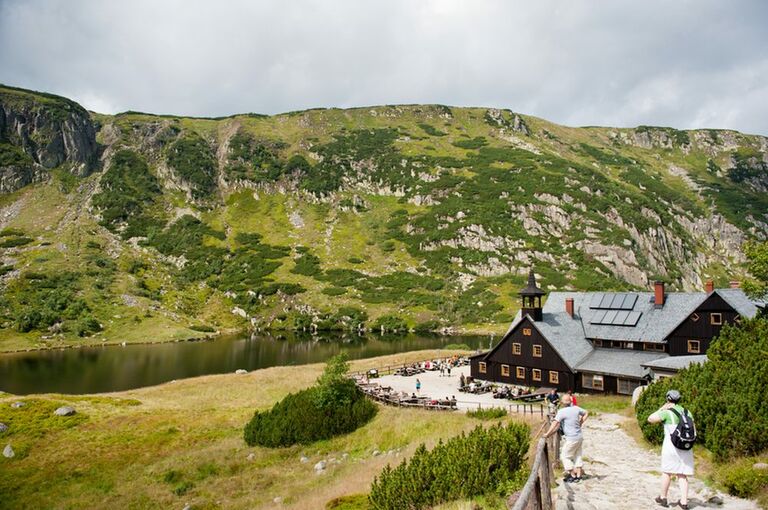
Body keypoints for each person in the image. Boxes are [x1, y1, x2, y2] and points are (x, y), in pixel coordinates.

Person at [647, 390, 694, 509]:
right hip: (685, 447)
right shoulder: (687, 412)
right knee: (682, 474)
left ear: (668, 399)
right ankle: (683, 502)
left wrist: (661, 409)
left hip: (671, 446)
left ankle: (663, 497)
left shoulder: (667, 413)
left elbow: (650, 419)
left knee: (667, 472)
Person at [544, 394, 588, 483]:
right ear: (570, 401)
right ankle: (579, 476)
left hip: (571, 438)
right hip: (579, 437)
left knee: (564, 456)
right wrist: (580, 422)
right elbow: (586, 412)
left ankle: (572, 475)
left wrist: (547, 433)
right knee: (577, 455)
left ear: (562, 402)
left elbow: (555, 423)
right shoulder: (576, 408)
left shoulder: (562, 411)